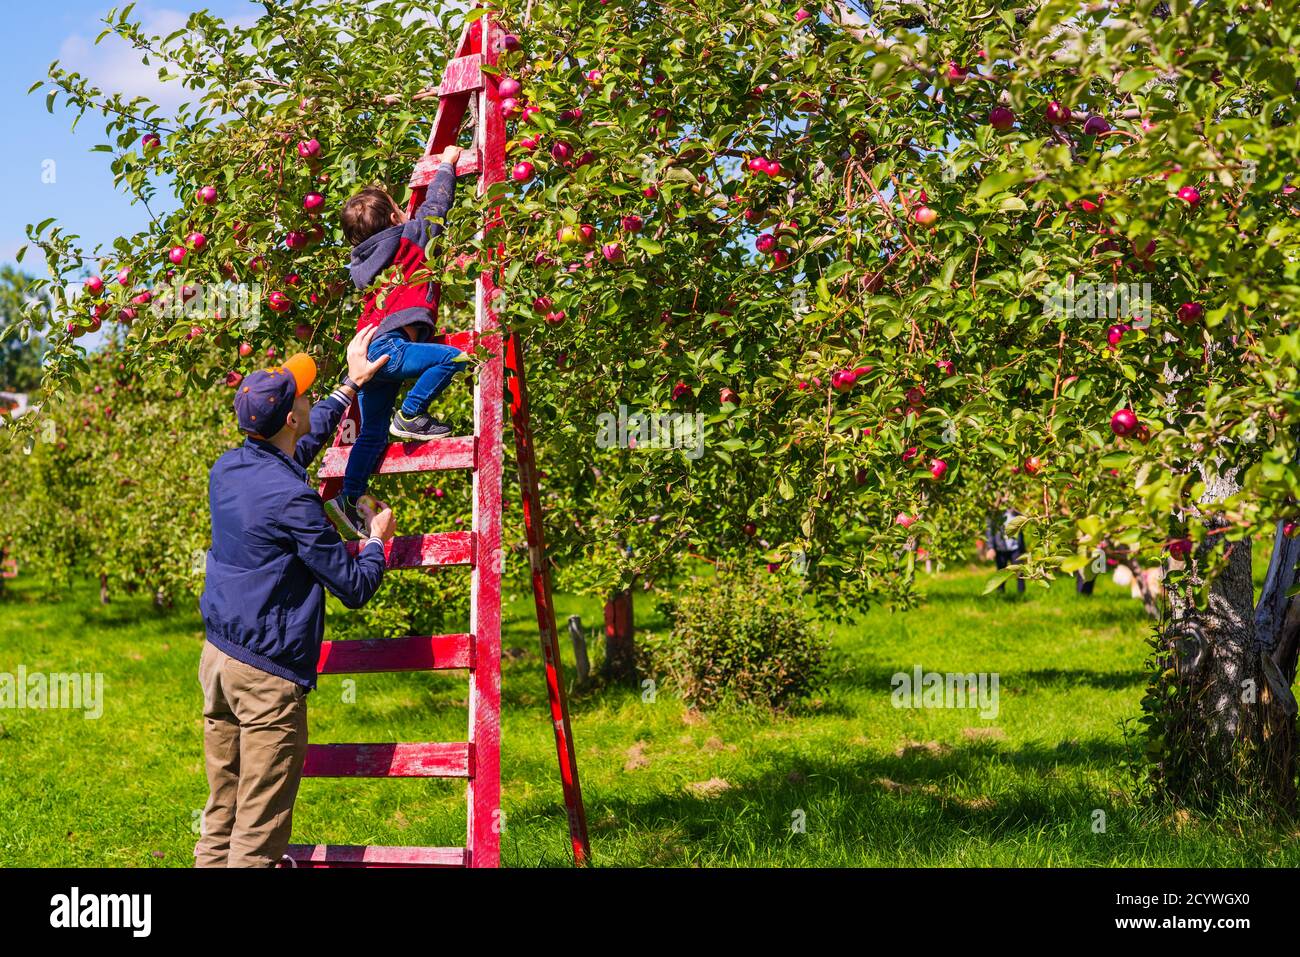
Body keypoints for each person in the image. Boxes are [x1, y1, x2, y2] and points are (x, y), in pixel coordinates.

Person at [195, 329, 395, 868]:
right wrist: (377, 541)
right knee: (258, 832)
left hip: (217, 660)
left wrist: (348, 386)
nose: (306, 397)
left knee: (222, 812)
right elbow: (352, 588)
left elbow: (294, 452)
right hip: (265, 677)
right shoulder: (294, 500)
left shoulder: (227, 470)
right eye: (301, 395)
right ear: (288, 418)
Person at [324, 143, 469, 540]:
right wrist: (446, 165)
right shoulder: (411, 238)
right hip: (390, 347)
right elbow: (436, 207)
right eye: (399, 208)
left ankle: (347, 499)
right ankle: (412, 414)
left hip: (366, 351)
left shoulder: (365, 262)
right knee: (455, 357)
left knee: (371, 435)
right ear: (394, 216)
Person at [985, 505, 1025, 594]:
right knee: (1001, 572)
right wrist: (991, 547)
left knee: (1020, 571)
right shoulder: (995, 514)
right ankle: (1000, 592)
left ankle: (1021, 593)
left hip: (1015, 548)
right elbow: (989, 531)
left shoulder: (1015, 512)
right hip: (1001, 548)